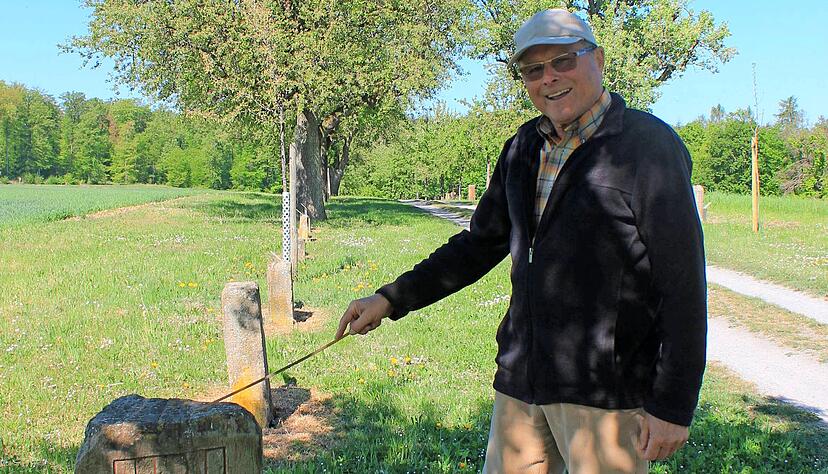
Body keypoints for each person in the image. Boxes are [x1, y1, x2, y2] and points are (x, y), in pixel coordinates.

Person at [336, 8, 706, 474]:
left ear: (600, 60)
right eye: (533, 70)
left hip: (604, 396)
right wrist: (391, 299)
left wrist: (673, 404)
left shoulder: (648, 149)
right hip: (521, 385)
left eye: (564, 61)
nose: (549, 78)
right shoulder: (523, 147)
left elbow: (684, 283)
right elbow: (478, 245)